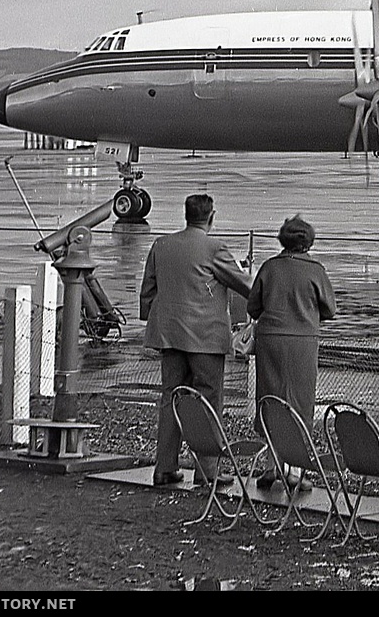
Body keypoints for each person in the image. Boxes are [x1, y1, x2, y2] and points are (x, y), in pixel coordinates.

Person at [139, 193, 251, 487]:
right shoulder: (215, 248)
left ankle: (165, 466)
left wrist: (149, 318)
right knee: (209, 402)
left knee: (171, 399)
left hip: (169, 335)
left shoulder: (161, 244)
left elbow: (148, 288)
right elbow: (243, 284)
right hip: (205, 338)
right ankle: (207, 471)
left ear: (186, 214)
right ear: (211, 217)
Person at [247, 214, 336, 489]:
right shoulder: (316, 270)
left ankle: (271, 466)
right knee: (299, 401)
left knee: (270, 397)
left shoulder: (269, 267)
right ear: (308, 242)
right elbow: (330, 310)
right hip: (302, 341)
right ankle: (296, 470)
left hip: (270, 338)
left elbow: (253, 307)